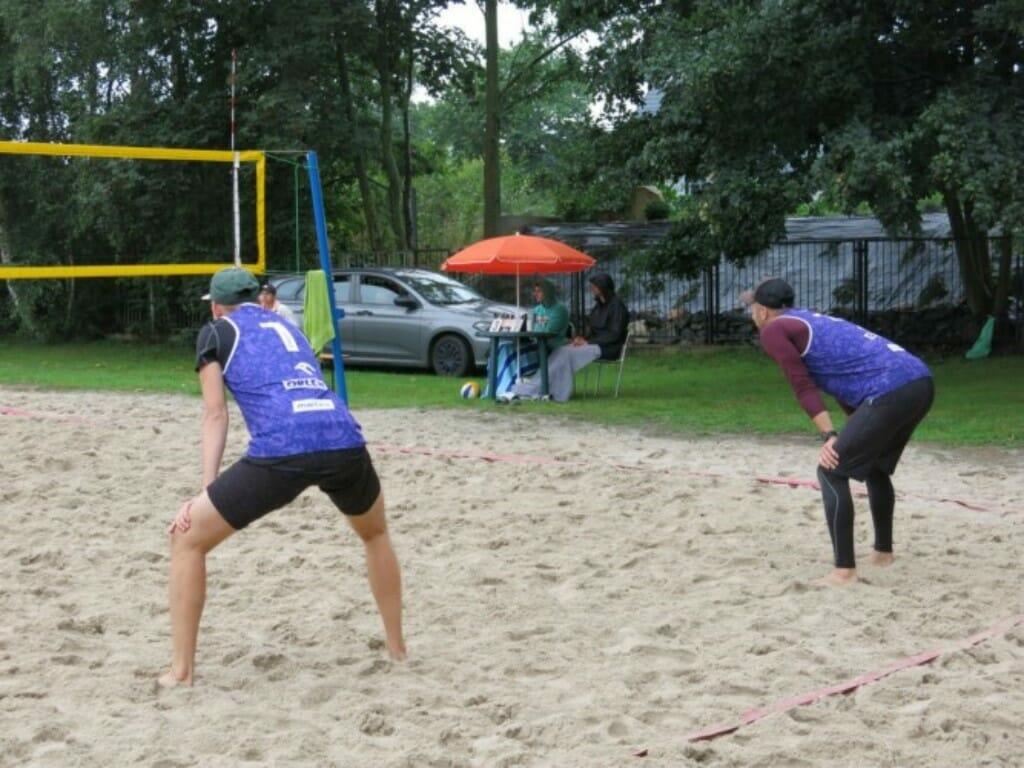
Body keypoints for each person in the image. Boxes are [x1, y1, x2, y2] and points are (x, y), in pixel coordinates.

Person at [161, 268, 405, 688]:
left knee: (187, 539)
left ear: (217, 306)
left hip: (283, 447)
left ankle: (181, 672)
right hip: (342, 437)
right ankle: (397, 650)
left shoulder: (216, 332)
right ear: (260, 299)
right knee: (375, 533)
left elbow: (215, 413)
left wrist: (206, 490)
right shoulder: (288, 326)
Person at [743, 278, 934, 587]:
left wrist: (829, 436)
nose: (751, 312)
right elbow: (845, 381)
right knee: (873, 465)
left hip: (890, 388)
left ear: (763, 311)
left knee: (830, 469)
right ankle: (883, 554)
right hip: (920, 382)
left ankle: (844, 571)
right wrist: (857, 426)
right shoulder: (809, 318)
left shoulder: (773, 330)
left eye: (752, 307)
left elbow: (801, 384)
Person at [509, 273, 628, 402]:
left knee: (566, 354)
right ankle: (538, 386)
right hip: (594, 344)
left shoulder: (617, 306)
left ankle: (554, 392)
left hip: (608, 348)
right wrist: (582, 339)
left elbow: (614, 335)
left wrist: (588, 342)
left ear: (603, 287)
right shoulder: (599, 305)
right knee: (561, 350)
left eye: (594, 287)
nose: (591, 289)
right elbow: (595, 331)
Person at [488, 280, 570, 397]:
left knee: (511, 354)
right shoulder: (537, 310)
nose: (535, 294)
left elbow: (548, 332)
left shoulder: (560, 310)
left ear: (548, 292)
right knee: (503, 349)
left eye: (539, 291)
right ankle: (498, 388)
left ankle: (508, 389)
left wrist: (535, 327)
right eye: (535, 291)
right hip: (535, 346)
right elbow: (531, 329)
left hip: (549, 349)